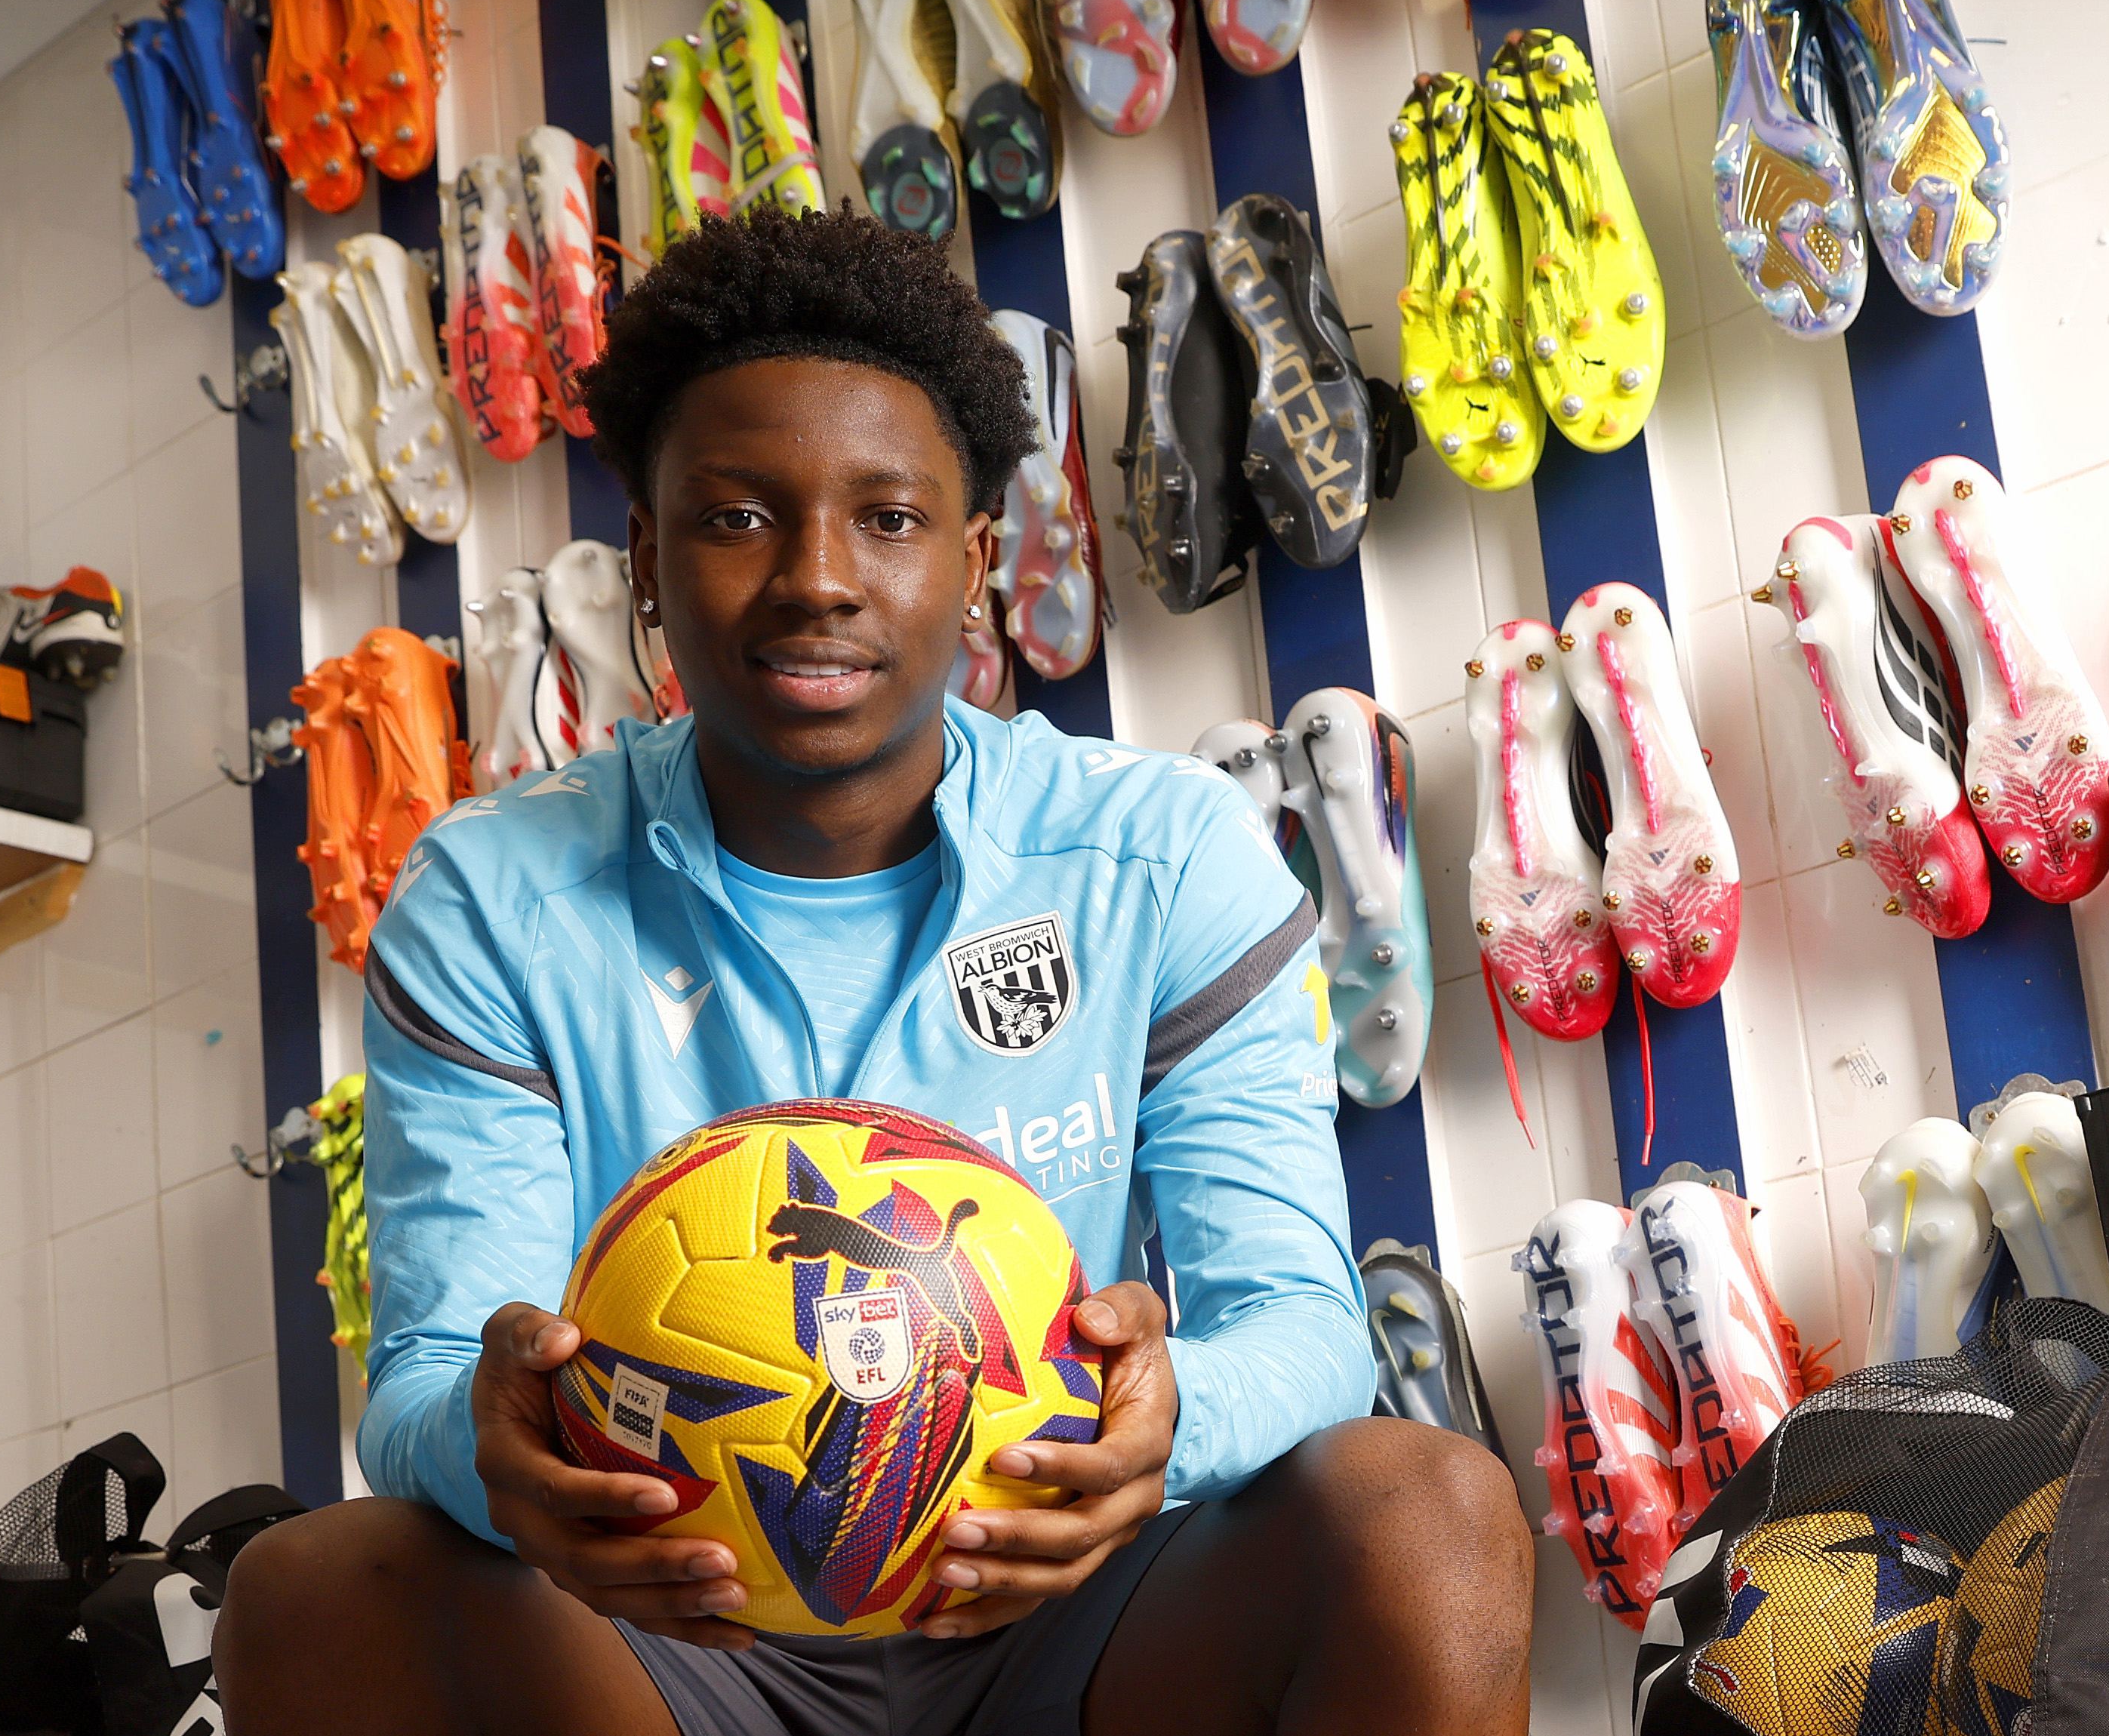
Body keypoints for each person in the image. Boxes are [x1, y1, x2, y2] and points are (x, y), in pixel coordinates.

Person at [214, 205, 1532, 1736]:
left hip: (1064, 1594)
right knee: (310, 1584)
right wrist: (492, 1439)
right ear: (645, 561)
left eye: (890, 519)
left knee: (1429, 1508)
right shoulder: (489, 897)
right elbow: (438, 1369)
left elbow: (1298, 1317)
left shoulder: (1164, 854)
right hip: (670, 1617)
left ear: (976, 562)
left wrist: (1162, 1437)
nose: (818, 578)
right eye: (736, 516)